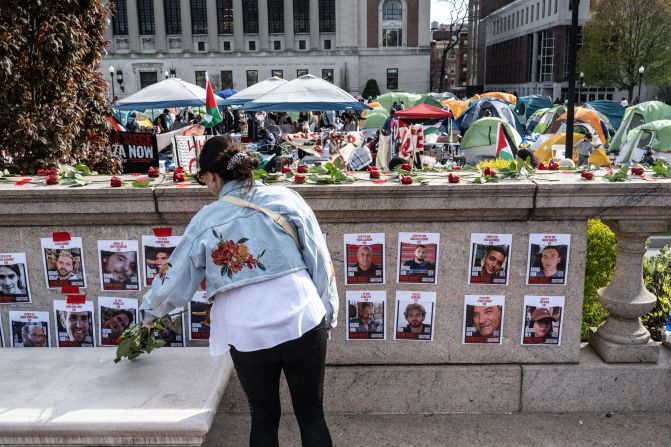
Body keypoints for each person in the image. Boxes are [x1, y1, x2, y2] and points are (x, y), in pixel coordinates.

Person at [140, 135, 337, 446]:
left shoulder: (206, 220)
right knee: (312, 413)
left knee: (263, 416)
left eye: (203, 178)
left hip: (247, 328)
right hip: (302, 315)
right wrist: (329, 312)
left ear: (213, 176)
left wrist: (148, 314)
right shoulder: (287, 198)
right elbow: (319, 257)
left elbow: (176, 277)